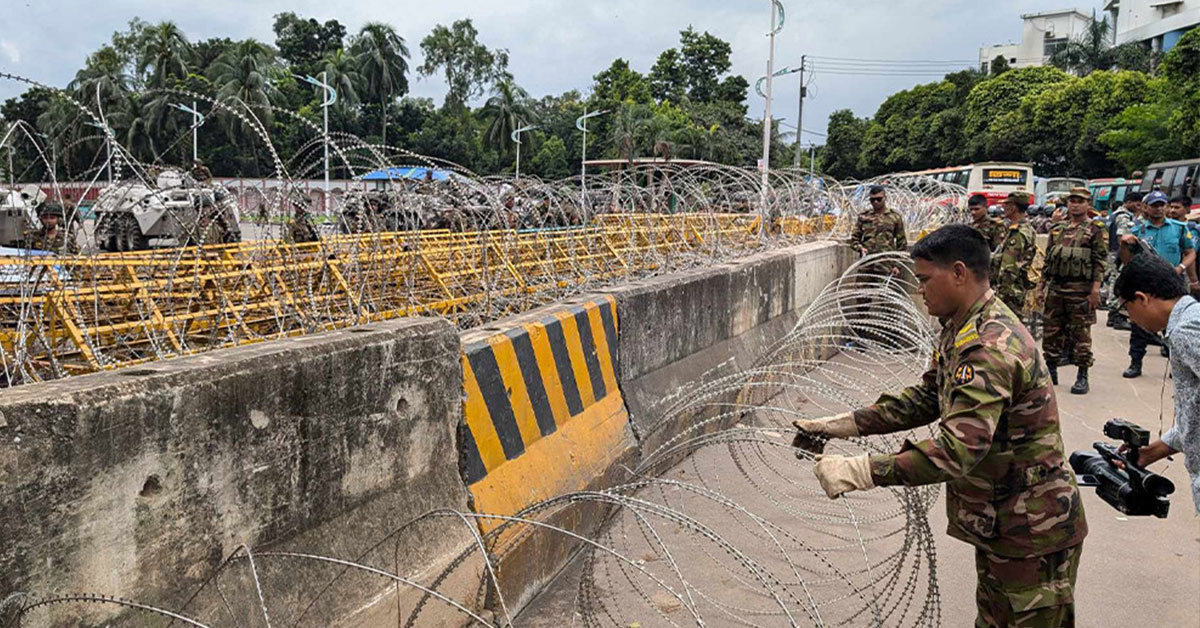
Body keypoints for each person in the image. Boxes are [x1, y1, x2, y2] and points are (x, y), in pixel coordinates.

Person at [795, 224, 1087, 628]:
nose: (920, 291)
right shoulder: (962, 327)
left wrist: (862, 471)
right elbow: (930, 396)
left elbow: (957, 451)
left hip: (1034, 527)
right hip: (1005, 518)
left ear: (959, 273)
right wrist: (848, 424)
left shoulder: (989, 346)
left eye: (925, 280)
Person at [1113, 253, 1200, 515]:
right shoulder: (1190, 319)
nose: (1131, 319)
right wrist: (1150, 453)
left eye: (1127, 308)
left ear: (1142, 298)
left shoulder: (1186, 329)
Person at [1120, 191, 1195, 378]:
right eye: (1154, 205)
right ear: (1146, 207)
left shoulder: (1179, 228)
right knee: (1139, 326)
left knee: (1175, 325)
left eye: (1162, 204)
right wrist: (1124, 244)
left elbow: (1190, 252)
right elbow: (1126, 259)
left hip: (1171, 282)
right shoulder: (1138, 229)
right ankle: (1135, 362)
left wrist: (1180, 268)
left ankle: (1177, 365)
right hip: (1145, 284)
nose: (1159, 208)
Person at [1041, 187, 1107, 395]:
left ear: (1088, 204)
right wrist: (1042, 286)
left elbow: (1100, 261)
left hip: (1081, 289)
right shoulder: (1057, 229)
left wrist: (1095, 289)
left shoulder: (1095, 229)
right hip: (1056, 288)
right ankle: (1051, 372)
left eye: (1080, 201)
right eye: (1072, 201)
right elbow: (1048, 259)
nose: (1075, 204)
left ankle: (1082, 375)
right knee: (1051, 331)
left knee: (1081, 334)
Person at [991, 192, 1038, 316]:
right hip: (1015, 289)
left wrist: (1000, 295)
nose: (1003, 208)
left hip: (1010, 292)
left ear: (1013, 207)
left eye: (1006, 205)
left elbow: (1009, 268)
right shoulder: (1025, 228)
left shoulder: (1018, 233)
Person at [850, 185, 907, 275]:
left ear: (885, 198)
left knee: (883, 289)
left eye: (879, 199)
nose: (875, 202)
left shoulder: (894, 217)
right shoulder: (864, 216)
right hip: (867, 264)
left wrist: (897, 265)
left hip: (886, 265)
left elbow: (902, 243)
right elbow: (854, 239)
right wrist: (860, 248)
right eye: (872, 200)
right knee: (861, 289)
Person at [1105, 192, 1141, 330]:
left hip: (1114, 253)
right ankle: (1115, 314)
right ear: (1128, 202)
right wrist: (1125, 255)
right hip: (1119, 254)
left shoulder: (1115, 214)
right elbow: (1123, 237)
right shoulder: (1124, 217)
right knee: (1118, 282)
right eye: (1136, 203)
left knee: (1114, 281)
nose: (1138, 206)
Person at [1168, 196, 1200, 298]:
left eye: (1177, 208)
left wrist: (1193, 281)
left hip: (1184, 275)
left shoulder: (1192, 230)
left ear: (1187, 210)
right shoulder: (1164, 226)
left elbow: (1190, 255)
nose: (1172, 211)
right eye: (1171, 207)